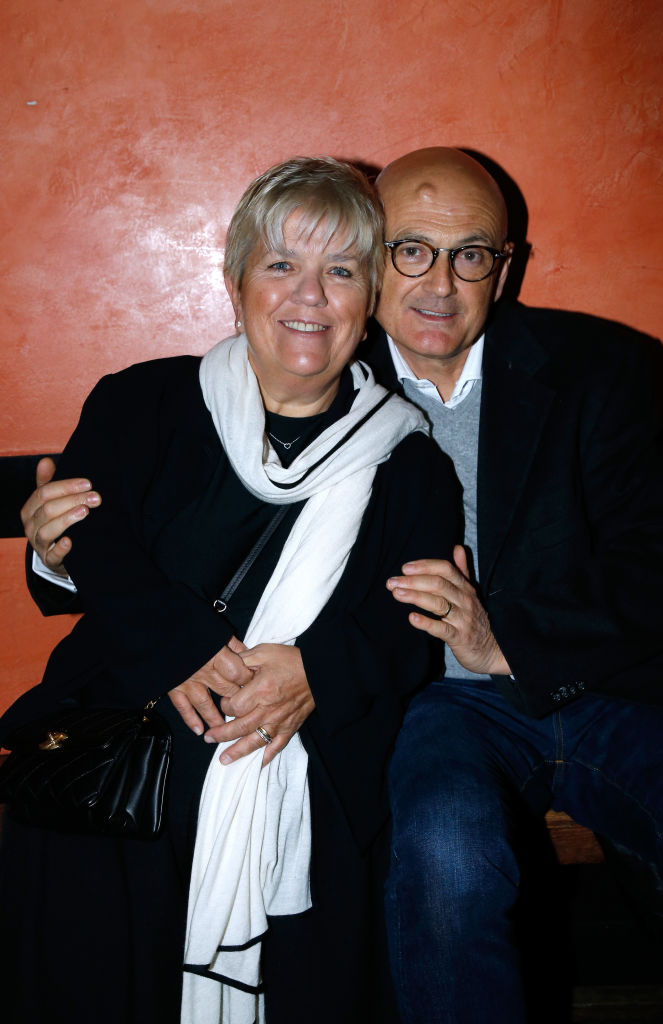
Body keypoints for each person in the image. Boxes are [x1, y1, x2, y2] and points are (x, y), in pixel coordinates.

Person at [18, 148, 663, 1023]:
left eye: (470, 253)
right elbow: (117, 530)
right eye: (409, 250)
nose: (439, 283)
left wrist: (449, 650)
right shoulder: (222, 379)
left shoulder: (538, 393)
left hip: (574, 689)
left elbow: (653, 564)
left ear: (503, 264)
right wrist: (67, 560)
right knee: (438, 855)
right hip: (360, 713)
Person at [0, 155, 460, 1024]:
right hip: (117, 768)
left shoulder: (410, 462)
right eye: (281, 264)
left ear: (369, 301)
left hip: (303, 771)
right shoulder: (143, 402)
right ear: (233, 281)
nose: (309, 297)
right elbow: (87, 543)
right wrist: (182, 649)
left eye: (340, 271)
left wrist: (315, 669)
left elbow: (409, 623)